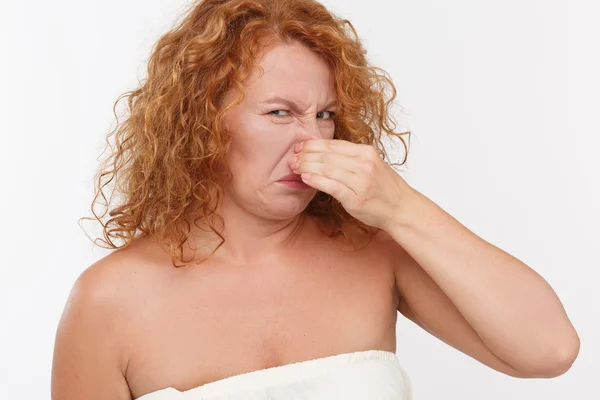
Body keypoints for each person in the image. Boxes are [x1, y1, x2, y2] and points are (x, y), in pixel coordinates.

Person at [51, 0, 580, 399]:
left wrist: (401, 207)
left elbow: (549, 351)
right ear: (201, 123)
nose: (312, 142)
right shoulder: (109, 301)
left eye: (324, 115)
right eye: (280, 113)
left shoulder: (371, 252)